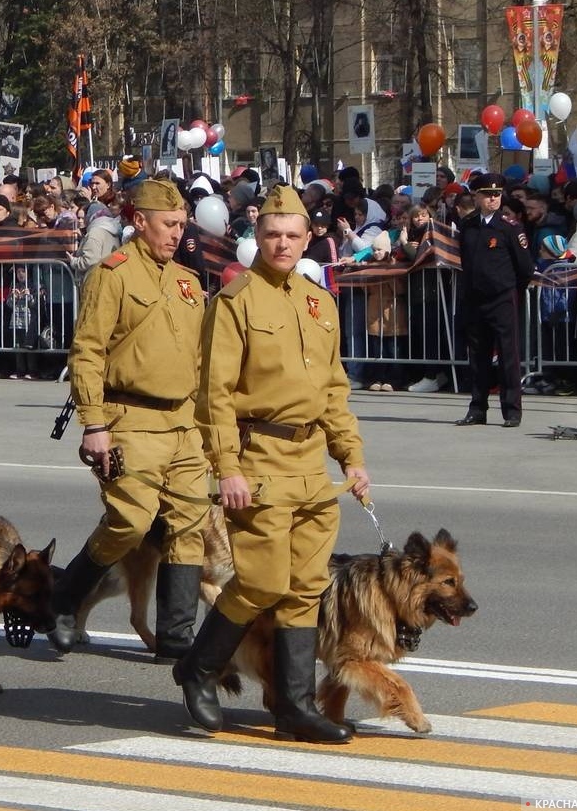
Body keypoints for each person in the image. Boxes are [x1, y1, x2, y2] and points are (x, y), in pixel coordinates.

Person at [175, 184, 370, 744]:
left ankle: (296, 707)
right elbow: (215, 393)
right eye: (271, 235)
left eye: (292, 236)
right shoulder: (235, 302)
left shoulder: (320, 302)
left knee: (305, 586)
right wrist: (226, 467)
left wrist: (351, 458)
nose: (282, 245)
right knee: (260, 581)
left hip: (311, 462)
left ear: (309, 238)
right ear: (255, 237)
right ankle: (201, 666)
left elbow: (334, 389)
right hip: (259, 457)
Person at [48, 179, 210, 665]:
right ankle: (66, 597)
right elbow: (88, 351)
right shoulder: (113, 274)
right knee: (131, 521)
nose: (177, 234)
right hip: (130, 419)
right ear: (139, 222)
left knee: (189, 526)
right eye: (168, 224)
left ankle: (177, 638)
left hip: (183, 422)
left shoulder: (188, 281)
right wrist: (93, 424)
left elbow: (199, 361)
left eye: (182, 225)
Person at [455, 173, 534, 428]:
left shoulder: (509, 226)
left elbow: (525, 268)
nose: (493, 199)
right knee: (478, 356)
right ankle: (477, 407)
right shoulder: (468, 225)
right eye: (488, 195)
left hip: (502, 298)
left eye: (497, 194)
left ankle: (512, 410)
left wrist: (511, 290)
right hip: (475, 299)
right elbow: (466, 262)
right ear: (476, 196)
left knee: (508, 355)